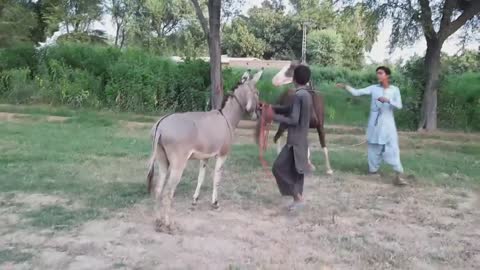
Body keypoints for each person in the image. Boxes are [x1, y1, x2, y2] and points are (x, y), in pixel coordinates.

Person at [336, 66, 407, 186]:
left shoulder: (394, 90)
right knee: (373, 145)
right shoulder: (373, 88)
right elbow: (357, 92)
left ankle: (398, 174)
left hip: (388, 121)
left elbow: (399, 106)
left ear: (387, 75)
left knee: (392, 146)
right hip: (374, 121)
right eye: (377, 73)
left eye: (381, 73)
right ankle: (373, 172)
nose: (378, 75)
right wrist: (346, 86)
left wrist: (388, 101)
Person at [263, 65, 313, 211]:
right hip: (301, 140)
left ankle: (298, 198)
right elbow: (289, 109)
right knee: (296, 172)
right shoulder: (306, 94)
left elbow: (292, 119)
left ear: (294, 79)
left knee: (278, 168)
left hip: (294, 142)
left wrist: (272, 116)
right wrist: (270, 107)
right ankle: (297, 201)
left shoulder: (298, 95)